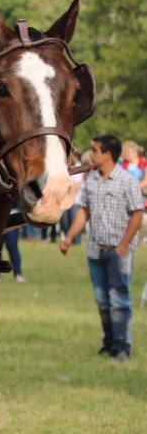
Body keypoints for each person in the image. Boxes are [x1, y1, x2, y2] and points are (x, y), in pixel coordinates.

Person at [60, 135, 144, 362]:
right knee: (103, 302)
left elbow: (137, 213)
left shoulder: (126, 181)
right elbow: (83, 211)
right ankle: (109, 343)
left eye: (94, 150)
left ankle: (122, 347)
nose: (90, 154)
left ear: (107, 154)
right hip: (95, 252)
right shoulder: (91, 181)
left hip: (119, 251)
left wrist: (124, 245)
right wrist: (69, 237)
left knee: (119, 301)